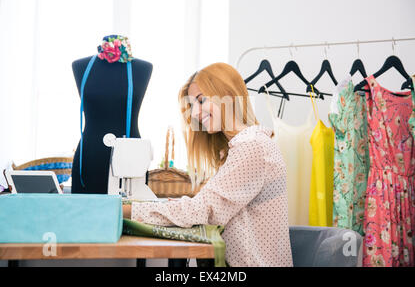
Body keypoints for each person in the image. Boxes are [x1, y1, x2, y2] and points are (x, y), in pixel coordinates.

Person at [123, 62, 293, 267]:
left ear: (227, 95)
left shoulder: (252, 147)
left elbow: (204, 210)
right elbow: (209, 205)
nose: (194, 113)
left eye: (201, 101)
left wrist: (128, 211)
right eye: (192, 106)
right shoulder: (243, 146)